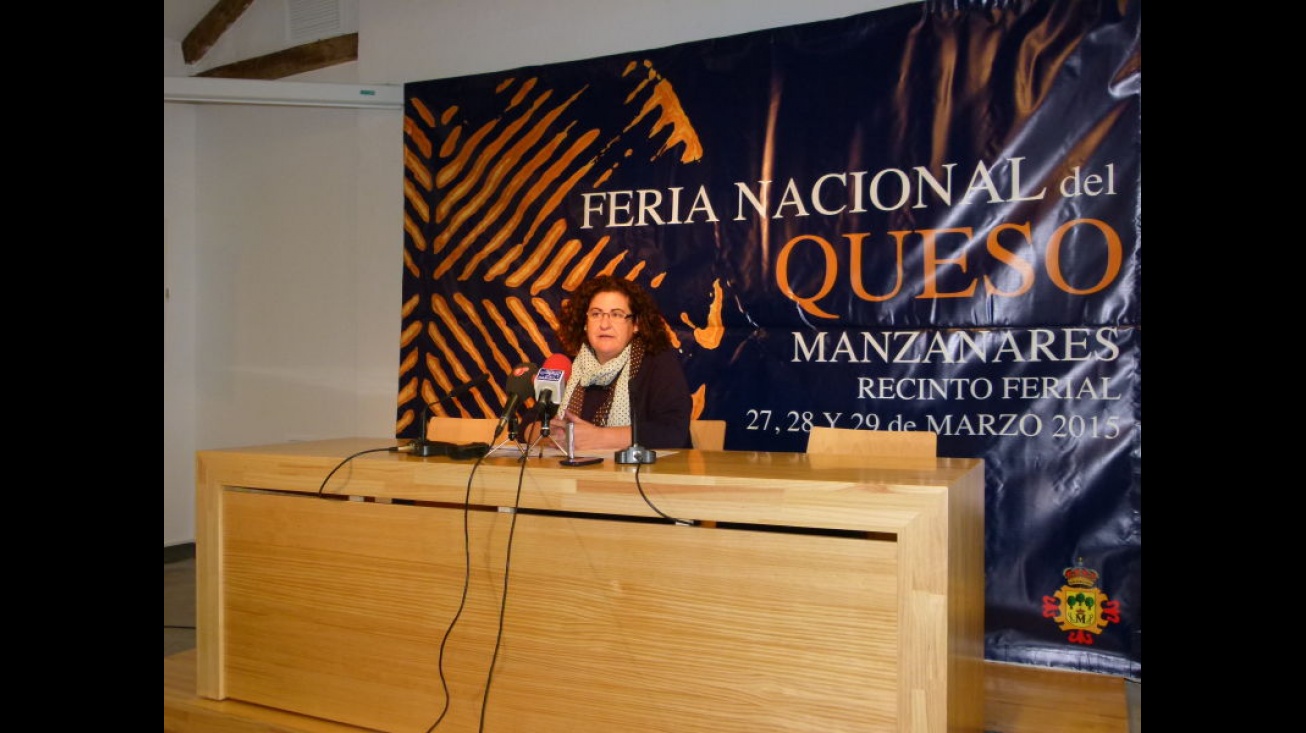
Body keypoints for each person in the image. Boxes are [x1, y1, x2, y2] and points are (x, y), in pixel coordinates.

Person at [525, 274, 692, 451]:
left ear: (635, 324)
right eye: (596, 314)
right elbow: (527, 426)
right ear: (585, 323)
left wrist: (600, 437)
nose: (605, 324)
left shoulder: (656, 361)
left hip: (642, 476)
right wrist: (552, 434)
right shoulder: (568, 365)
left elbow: (673, 432)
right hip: (574, 476)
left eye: (617, 315)